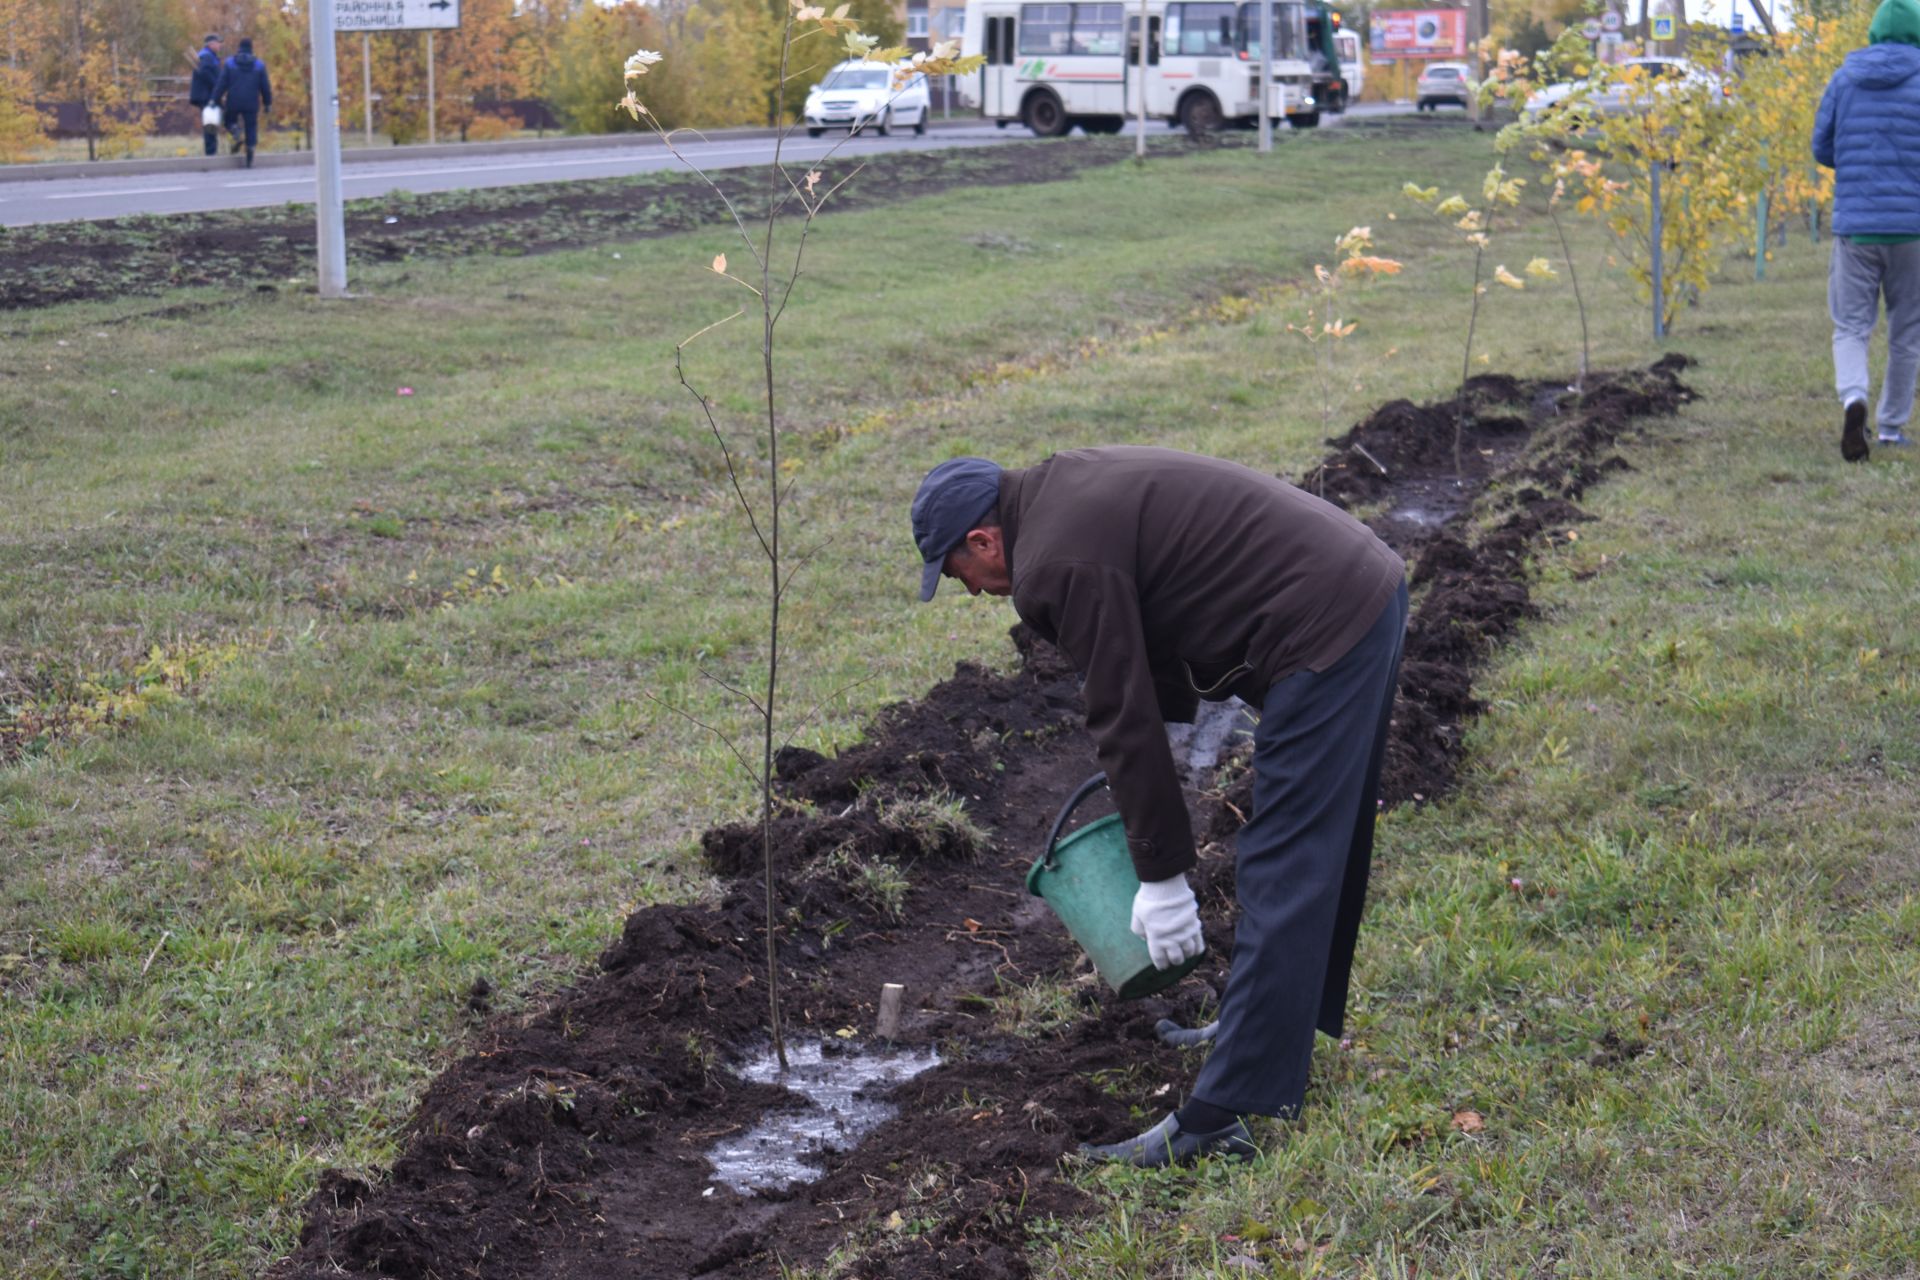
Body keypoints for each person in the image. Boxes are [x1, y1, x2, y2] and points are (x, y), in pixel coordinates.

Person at [910, 447, 1407, 1166]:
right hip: (1355, 587)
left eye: (958, 574)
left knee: (1284, 860)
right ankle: (1257, 1032)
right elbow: (1144, 668)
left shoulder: (1053, 561)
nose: (972, 592)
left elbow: (1123, 715)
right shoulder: (1056, 491)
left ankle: (1217, 1117)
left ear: (983, 541)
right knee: (1307, 847)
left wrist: (1162, 877)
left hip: (1325, 621)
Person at [1813, 0, 1920, 462]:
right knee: (1907, 330)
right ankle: (1892, 426)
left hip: (1857, 227)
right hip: (1913, 229)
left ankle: (1854, 398)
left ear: (1875, 33)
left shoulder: (1844, 78)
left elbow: (1823, 146)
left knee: (1851, 325)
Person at [213, 37, 272, 169]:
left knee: (229, 120)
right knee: (251, 126)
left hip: (233, 100)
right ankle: (250, 151)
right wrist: (268, 103)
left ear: (239, 48)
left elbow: (221, 84)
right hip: (252, 102)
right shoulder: (259, 65)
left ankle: (235, 131)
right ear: (251, 48)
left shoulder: (230, 63)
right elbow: (265, 86)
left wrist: (215, 98)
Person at [188, 34, 223, 157]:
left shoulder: (206, 56)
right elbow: (206, 74)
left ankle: (211, 151)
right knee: (210, 124)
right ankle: (211, 152)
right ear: (211, 44)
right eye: (218, 43)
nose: (220, 45)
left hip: (207, 96)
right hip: (207, 97)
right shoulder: (207, 57)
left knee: (211, 123)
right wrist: (218, 88)